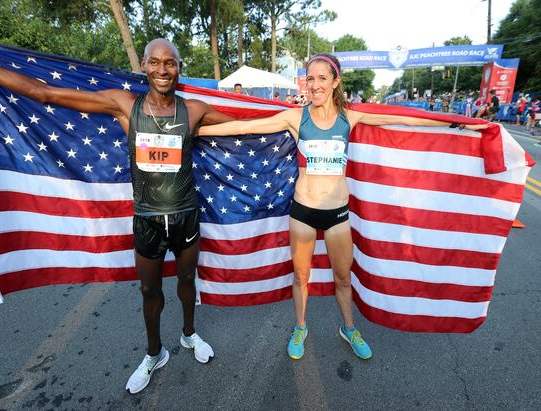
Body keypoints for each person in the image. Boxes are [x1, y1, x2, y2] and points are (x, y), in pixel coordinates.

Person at [0, 38, 235, 393]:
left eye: (169, 63)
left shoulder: (195, 111)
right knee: (149, 290)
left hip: (186, 214)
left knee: (187, 282)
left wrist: (297, 120)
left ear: (179, 68)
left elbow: (243, 127)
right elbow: (44, 93)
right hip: (147, 220)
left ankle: (189, 334)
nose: (162, 70)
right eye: (155, 62)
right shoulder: (125, 105)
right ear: (143, 65)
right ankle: (154, 353)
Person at [198, 53, 487, 361]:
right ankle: (300, 327)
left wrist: (456, 122)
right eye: (311, 78)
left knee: (343, 279)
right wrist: (196, 132)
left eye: (322, 78)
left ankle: (349, 329)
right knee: (300, 277)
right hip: (303, 211)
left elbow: (401, 117)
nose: (315, 85)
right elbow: (245, 128)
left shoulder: (350, 116)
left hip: (337, 214)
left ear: (335, 82)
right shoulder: (297, 117)